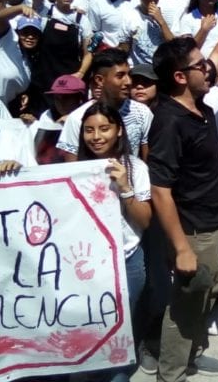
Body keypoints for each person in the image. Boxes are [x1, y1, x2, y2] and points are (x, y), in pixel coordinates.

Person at [147, 13, 218, 382]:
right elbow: (160, 190)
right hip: (193, 233)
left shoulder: (198, 102)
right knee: (185, 307)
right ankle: (171, 373)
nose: (210, 67)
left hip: (216, 223)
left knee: (208, 293)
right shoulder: (170, 121)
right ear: (180, 77)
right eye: (200, 64)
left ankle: (191, 353)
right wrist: (181, 248)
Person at [77, 101, 151, 319]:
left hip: (127, 261)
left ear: (119, 131)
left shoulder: (136, 168)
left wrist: (126, 188)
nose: (96, 137)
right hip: (86, 263)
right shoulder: (73, 170)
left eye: (104, 129)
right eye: (89, 130)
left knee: (126, 324)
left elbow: (145, 221)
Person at [57, 48, 153, 162]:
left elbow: (147, 161)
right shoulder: (77, 119)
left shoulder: (142, 112)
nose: (128, 82)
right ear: (99, 80)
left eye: (129, 75)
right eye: (120, 76)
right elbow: (71, 166)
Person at [118, 0, 174, 66]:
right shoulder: (129, 16)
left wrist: (161, 22)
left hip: (163, 67)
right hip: (139, 69)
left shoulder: (167, 13)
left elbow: (174, 45)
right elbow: (124, 46)